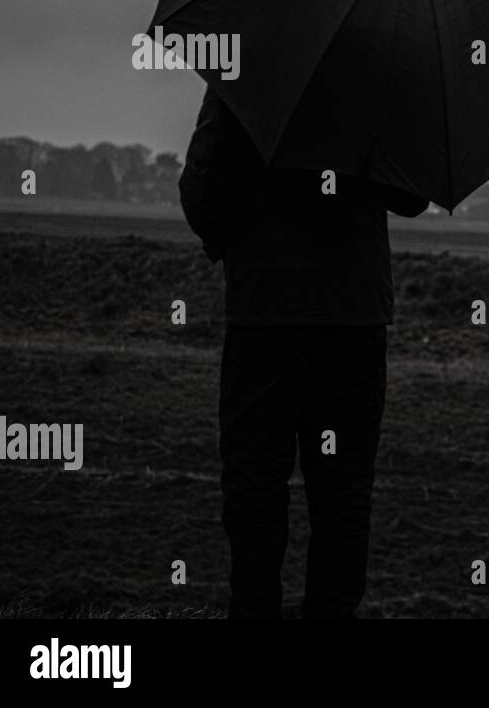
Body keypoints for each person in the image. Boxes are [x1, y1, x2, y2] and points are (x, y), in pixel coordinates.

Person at [179, 81, 427, 619]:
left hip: (264, 312)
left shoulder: (246, 65)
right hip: (353, 316)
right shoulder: (383, 69)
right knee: (343, 494)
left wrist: (225, 240)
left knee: (254, 484)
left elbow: (202, 187)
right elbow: (413, 194)